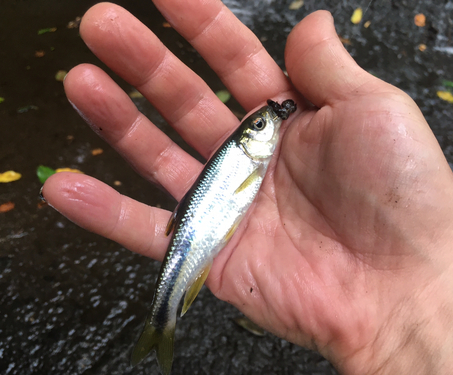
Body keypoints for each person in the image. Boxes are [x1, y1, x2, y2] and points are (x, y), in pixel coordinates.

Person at [41, 1, 453, 373]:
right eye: (260, 126)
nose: (267, 125)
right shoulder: (248, 156)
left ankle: (160, 323)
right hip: (199, 233)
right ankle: (160, 322)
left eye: (260, 125)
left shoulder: (257, 154)